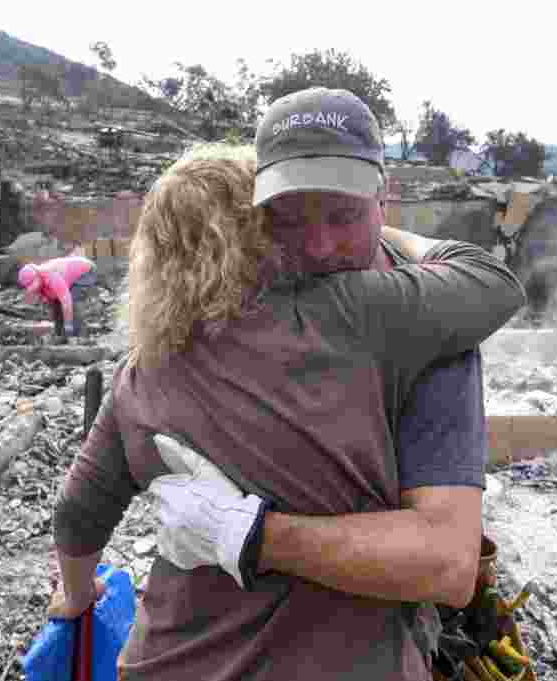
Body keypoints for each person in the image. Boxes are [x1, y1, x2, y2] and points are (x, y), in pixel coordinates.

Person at [51, 89, 525, 681]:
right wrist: (389, 236)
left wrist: (76, 596)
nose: (321, 246)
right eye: (288, 219)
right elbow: (491, 279)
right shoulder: (363, 313)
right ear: (254, 228)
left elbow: (76, 514)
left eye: (345, 214)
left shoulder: (141, 367)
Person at [17, 255, 97, 338]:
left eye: (32, 284)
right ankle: (59, 334)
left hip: (85, 271)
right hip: (67, 275)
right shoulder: (39, 282)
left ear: (37, 276)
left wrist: (68, 325)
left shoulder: (51, 277)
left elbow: (66, 302)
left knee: (73, 303)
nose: (31, 288)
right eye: (28, 287)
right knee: (56, 304)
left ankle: (78, 336)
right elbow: (53, 301)